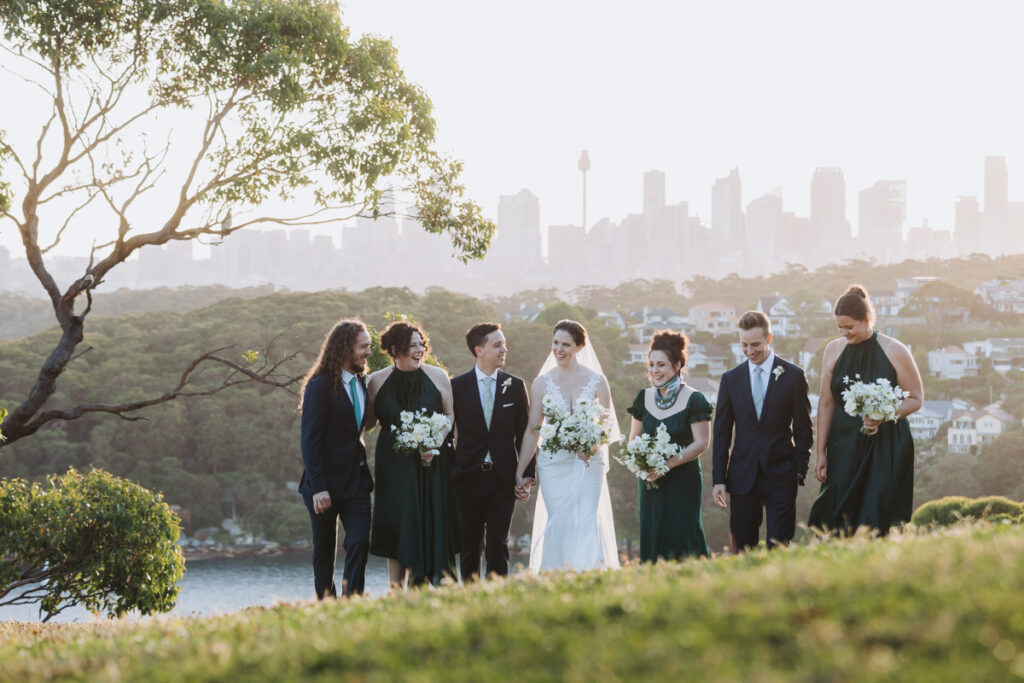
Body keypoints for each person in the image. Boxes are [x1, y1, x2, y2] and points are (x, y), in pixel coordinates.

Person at [808, 285, 923, 535]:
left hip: (886, 445)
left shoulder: (895, 350)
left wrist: (883, 415)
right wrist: (821, 452)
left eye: (849, 327)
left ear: (867, 319)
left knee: (876, 513)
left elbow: (916, 399)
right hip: (844, 445)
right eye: (839, 327)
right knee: (837, 512)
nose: (844, 333)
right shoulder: (833, 350)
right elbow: (826, 403)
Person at [515, 319, 620, 572]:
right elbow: (532, 430)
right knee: (560, 520)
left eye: (565, 344)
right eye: (555, 343)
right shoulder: (542, 382)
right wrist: (520, 471)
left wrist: (593, 447)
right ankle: (557, 576)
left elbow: (607, 425)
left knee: (586, 519)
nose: (558, 349)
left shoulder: (597, 381)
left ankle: (589, 576)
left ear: (579, 347)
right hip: (554, 462)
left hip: (589, 461)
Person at [366, 321, 460, 588]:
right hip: (393, 465)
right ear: (395, 349)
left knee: (431, 519)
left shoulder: (438, 376)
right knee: (398, 522)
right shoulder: (376, 380)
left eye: (422, 344)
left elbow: (450, 415)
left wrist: (434, 443)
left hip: (431, 463)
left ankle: (432, 585)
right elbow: (369, 422)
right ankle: (395, 590)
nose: (420, 350)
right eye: (413, 346)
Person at [712, 311, 813, 551]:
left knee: (779, 545)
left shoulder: (794, 376)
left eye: (755, 344)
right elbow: (722, 433)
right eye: (744, 345)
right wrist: (719, 479)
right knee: (743, 547)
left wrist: (800, 470)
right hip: (742, 476)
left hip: (781, 475)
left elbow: (803, 427)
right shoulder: (730, 380)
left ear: (769, 338)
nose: (749, 351)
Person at [450, 322, 534, 580]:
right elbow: (446, 432)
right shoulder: (456, 386)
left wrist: (526, 476)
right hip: (466, 478)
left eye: (504, 343)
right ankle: (470, 601)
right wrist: (452, 470)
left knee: (498, 546)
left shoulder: (516, 386)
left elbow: (526, 434)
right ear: (479, 350)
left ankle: (498, 600)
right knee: (469, 546)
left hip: (502, 479)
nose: (504, 349)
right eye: (497, 345)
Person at [297, 319, 374, 598]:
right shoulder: (319, 386)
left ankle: (352, 599)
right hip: (323, 484)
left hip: (357, 482)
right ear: (345, 348)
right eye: (363, 347)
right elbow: (310, 439)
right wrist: (319, 487)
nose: (368, 352)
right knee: (325, 551)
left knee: (359, 541)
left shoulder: (363, 383)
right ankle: (326, 604)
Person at [626, 330, 712, 561]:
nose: (655, 370)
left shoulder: (695, 399)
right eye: (651, 364)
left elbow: (702, 442)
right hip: (650, 482)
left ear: (677, 364)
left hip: (683, 480)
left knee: (682, 534)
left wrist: (668, 464)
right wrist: (642, 466)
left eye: (661, 365)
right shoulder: (642, 398)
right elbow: (634, 438)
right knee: (652, 533)